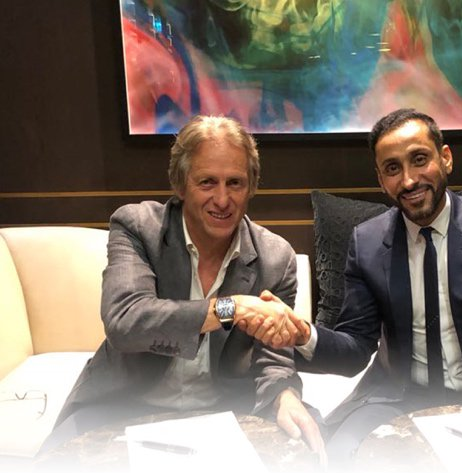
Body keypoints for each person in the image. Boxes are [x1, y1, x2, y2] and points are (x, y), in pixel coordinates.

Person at [244, 108, 462, 465]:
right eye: (392, 168)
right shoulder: (368, 243)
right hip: (397, 396)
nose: (409, 180)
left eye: (419, 160)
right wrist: (303, 334)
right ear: (380, 179)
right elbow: (355, 348)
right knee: (334, 458)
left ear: (445, 158)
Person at [42, 115, 325, 461]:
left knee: (314, 443)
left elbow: (274, 358)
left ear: (251, 187)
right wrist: (232, 308)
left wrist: (284, 396)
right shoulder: (137, 227)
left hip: (228, 408)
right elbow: (126, 322)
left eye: (235, 183)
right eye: (207, 182)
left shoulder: (275, 257)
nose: (222, 199)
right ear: (180, 185)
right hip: (123, 403)